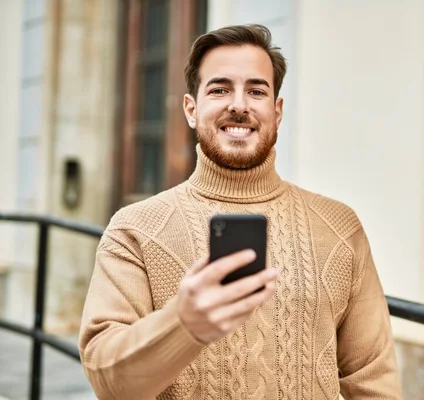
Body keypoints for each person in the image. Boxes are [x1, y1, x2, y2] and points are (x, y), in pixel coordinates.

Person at [79, 24, 402, 400]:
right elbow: (107, 378)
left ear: (277, 111)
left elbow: (374, 381)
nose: (239, 104)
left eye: (256, 90)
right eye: (219, 89)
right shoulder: (134, 229)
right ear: (191, 109)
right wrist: (183, 324)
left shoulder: (340, 227)